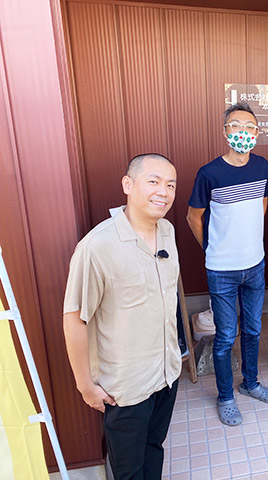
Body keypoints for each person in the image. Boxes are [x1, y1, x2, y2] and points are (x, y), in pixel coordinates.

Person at [63, 154, 180, 479]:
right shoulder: (97, 246)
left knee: (154, 448)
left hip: (166, 374)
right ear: (128, 185)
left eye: (170, 184)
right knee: (128, 469)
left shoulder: (167, 231)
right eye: (154, 181)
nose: (164, 192)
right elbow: (75, 318)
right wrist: (86, 385)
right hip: (125, 389)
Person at [186, 102, 268, 427]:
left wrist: (246, 241)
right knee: (226, 335)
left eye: (249, 127)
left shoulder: (262, 165)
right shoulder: (209, 173)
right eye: (236, 125)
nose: (243, 132)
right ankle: (225, 396)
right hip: (221, 269)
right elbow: (193, 217)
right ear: (225, 132)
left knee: (253, 329)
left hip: (254, 264)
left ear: (257, 133)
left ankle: (250, 383)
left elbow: (262, 204)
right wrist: (213, 249)